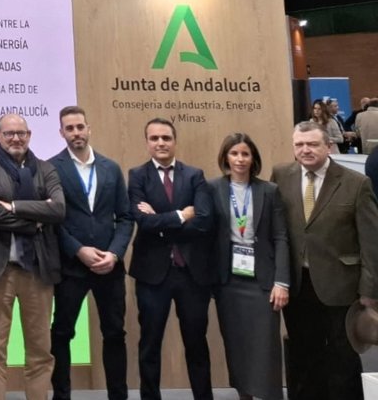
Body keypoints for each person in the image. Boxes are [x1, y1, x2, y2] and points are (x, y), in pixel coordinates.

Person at [274, 121, 378, 400]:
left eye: (312, 144)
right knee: (304, 355)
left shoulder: (356, 183)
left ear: (328, 146)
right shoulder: (281, 176)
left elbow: (371, 242)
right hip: (298, 285)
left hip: (341, 286)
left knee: (342, 358)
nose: (305, 150)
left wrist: (369, 292)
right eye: (299, 144)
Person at [0, 113, 64, 400]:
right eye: (9, 133)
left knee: (40, 349)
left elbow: (58, 209)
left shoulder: (46, 169)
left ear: (29, 135)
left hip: (38, 269)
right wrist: (35, 219)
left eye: (21, 133)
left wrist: (12, 206)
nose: (16, 138)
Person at [127, 118, 215, 400]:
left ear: (175, 141)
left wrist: (161, 221)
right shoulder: (137, 176)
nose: (161, 143)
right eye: (154, 138)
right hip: (152, 275)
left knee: (196, 344)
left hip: (191, 274)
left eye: (166, 138)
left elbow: (203, 221)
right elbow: (143, 222)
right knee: (150, 345)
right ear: (147, 143)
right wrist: (180, 215)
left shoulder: (195, 175)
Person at [48, 106, 132, 400]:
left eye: (80, 127)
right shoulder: (51, 168)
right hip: (71, 267)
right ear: (61, 133)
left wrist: (115, 254)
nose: (76, 133)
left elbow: (125, 217)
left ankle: (118, 395)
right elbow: (52, 222)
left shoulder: (111, 168)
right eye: (69, 128)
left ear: (89, 129)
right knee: (61, 333)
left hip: (109, 267)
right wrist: (78, 250)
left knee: (115, 333)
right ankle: (61, 395)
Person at [209, 132, 289, 400]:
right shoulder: (213, 188)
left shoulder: (269, 190)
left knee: (265, 345)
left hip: (262, 280)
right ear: (225, 157)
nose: (240, 159)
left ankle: (269, 395)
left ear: (253, 158)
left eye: (245, 154)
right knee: (237, 343)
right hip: (228, 281)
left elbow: (280, 237)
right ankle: (244, 394)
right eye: (234, 153)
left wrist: (281, 281)